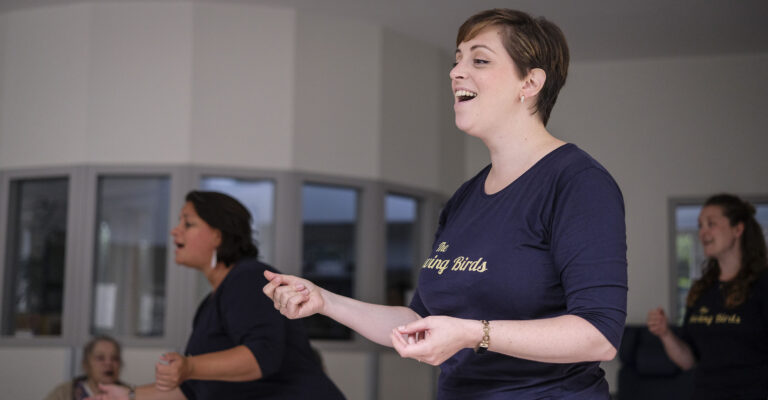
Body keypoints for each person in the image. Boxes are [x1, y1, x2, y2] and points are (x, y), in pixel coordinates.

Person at [264, 8, 627, 399]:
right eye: (457, 60)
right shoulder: (466, 198)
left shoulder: (577, 182)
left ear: (530, 82)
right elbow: (420, 320)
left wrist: (472, 333)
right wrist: (324, 301)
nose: (456, 72)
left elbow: (597, 335)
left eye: (480, 60)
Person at [90, 191, 344, 400]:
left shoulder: (250, 277)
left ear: (217, 236)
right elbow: (192, 389)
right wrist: (127, 395)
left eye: (188, 223)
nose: (174, 231)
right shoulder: (210, 303)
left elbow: (261, 357)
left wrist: (189, 367)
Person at [647, 194, 768, 399]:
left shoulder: (763, 285)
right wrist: (665, 333)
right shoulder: (702, 290)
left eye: (711, 224)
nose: (703, 233)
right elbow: (687, 361)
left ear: (738, 229)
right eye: (700, 225)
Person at [45, 335, 129, 400]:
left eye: (115, 358)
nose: (108, 363)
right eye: (100, 358)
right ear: (86, 364)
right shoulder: (63, 393)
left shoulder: (130, 394)